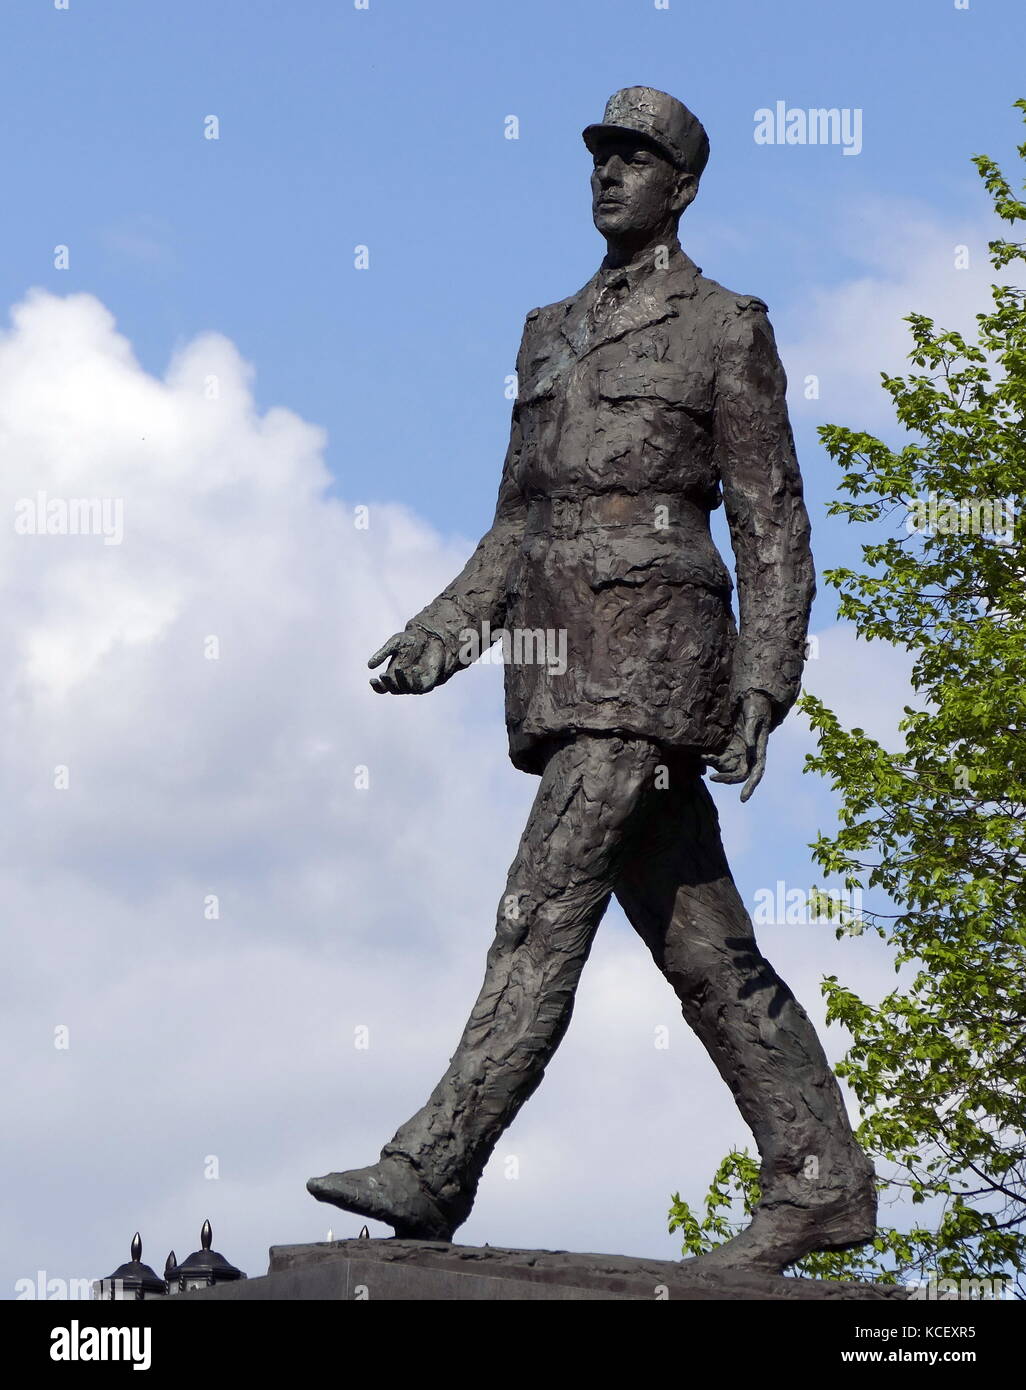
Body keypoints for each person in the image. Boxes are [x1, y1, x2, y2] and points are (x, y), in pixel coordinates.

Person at [308, 87, 876, 1272]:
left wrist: (764, 684)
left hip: (658, 668)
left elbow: (772, 518)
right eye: (602, 156)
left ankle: (432, 1167)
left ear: (683, 186)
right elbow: (518, 520)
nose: (610, 173)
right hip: (560, 661)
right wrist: (443, 634)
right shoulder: (546, 330)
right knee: (709, 953)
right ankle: (819, 1177)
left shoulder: (726, 326)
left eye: (638, 158)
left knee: (539, 906)